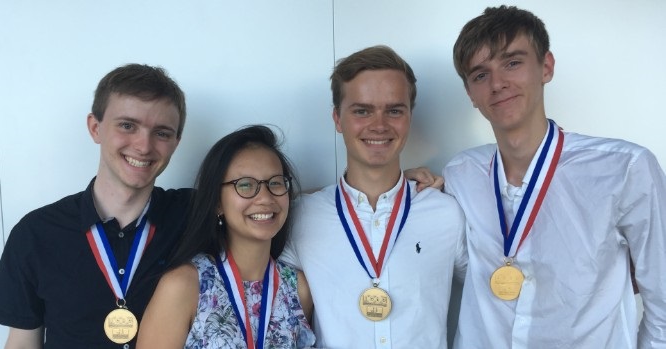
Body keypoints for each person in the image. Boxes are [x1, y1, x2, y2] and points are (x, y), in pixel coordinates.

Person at [443, 5, 666, 348]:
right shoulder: (460, 173)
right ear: (471, 94)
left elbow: (663, 302)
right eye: (480, 74)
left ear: (546, 67)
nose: (498, 83)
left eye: (512, 62)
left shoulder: (626, 169)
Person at [0, 63, 191, 348]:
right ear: (95, 128)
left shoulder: (194, 217)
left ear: (176, 142)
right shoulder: (35, 233)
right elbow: (22, 342)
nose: (144, 146)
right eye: (128, 125)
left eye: (162, 133)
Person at [280, 45, 467, 348]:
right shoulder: (302, 217)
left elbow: (492, 296)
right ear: (337, 119)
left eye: (394, 110)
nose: (379, 125)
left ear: (409, 118)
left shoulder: (447, 213)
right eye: (362, 111)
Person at [136, 125, 316, 349]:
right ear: (217, 202)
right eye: (245, 185)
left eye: (275, 183)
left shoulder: (298, 289)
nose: (265, 198)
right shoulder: (185, 286)